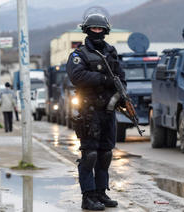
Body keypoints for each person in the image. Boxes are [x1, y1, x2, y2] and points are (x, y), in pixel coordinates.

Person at [66, 13, 126, 211]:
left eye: (100, 29)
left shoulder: (112, 52)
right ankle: (88, 196)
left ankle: (101, 192)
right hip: (89, 110)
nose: (97, 32)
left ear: (106, 31)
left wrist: (121, 96)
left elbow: (121, 78)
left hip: (108, 110)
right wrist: (103, 79)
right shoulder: (79, 54)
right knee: (89, 154)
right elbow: (77, 76)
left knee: (105, 153)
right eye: (94, 29)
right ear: (87, 30)